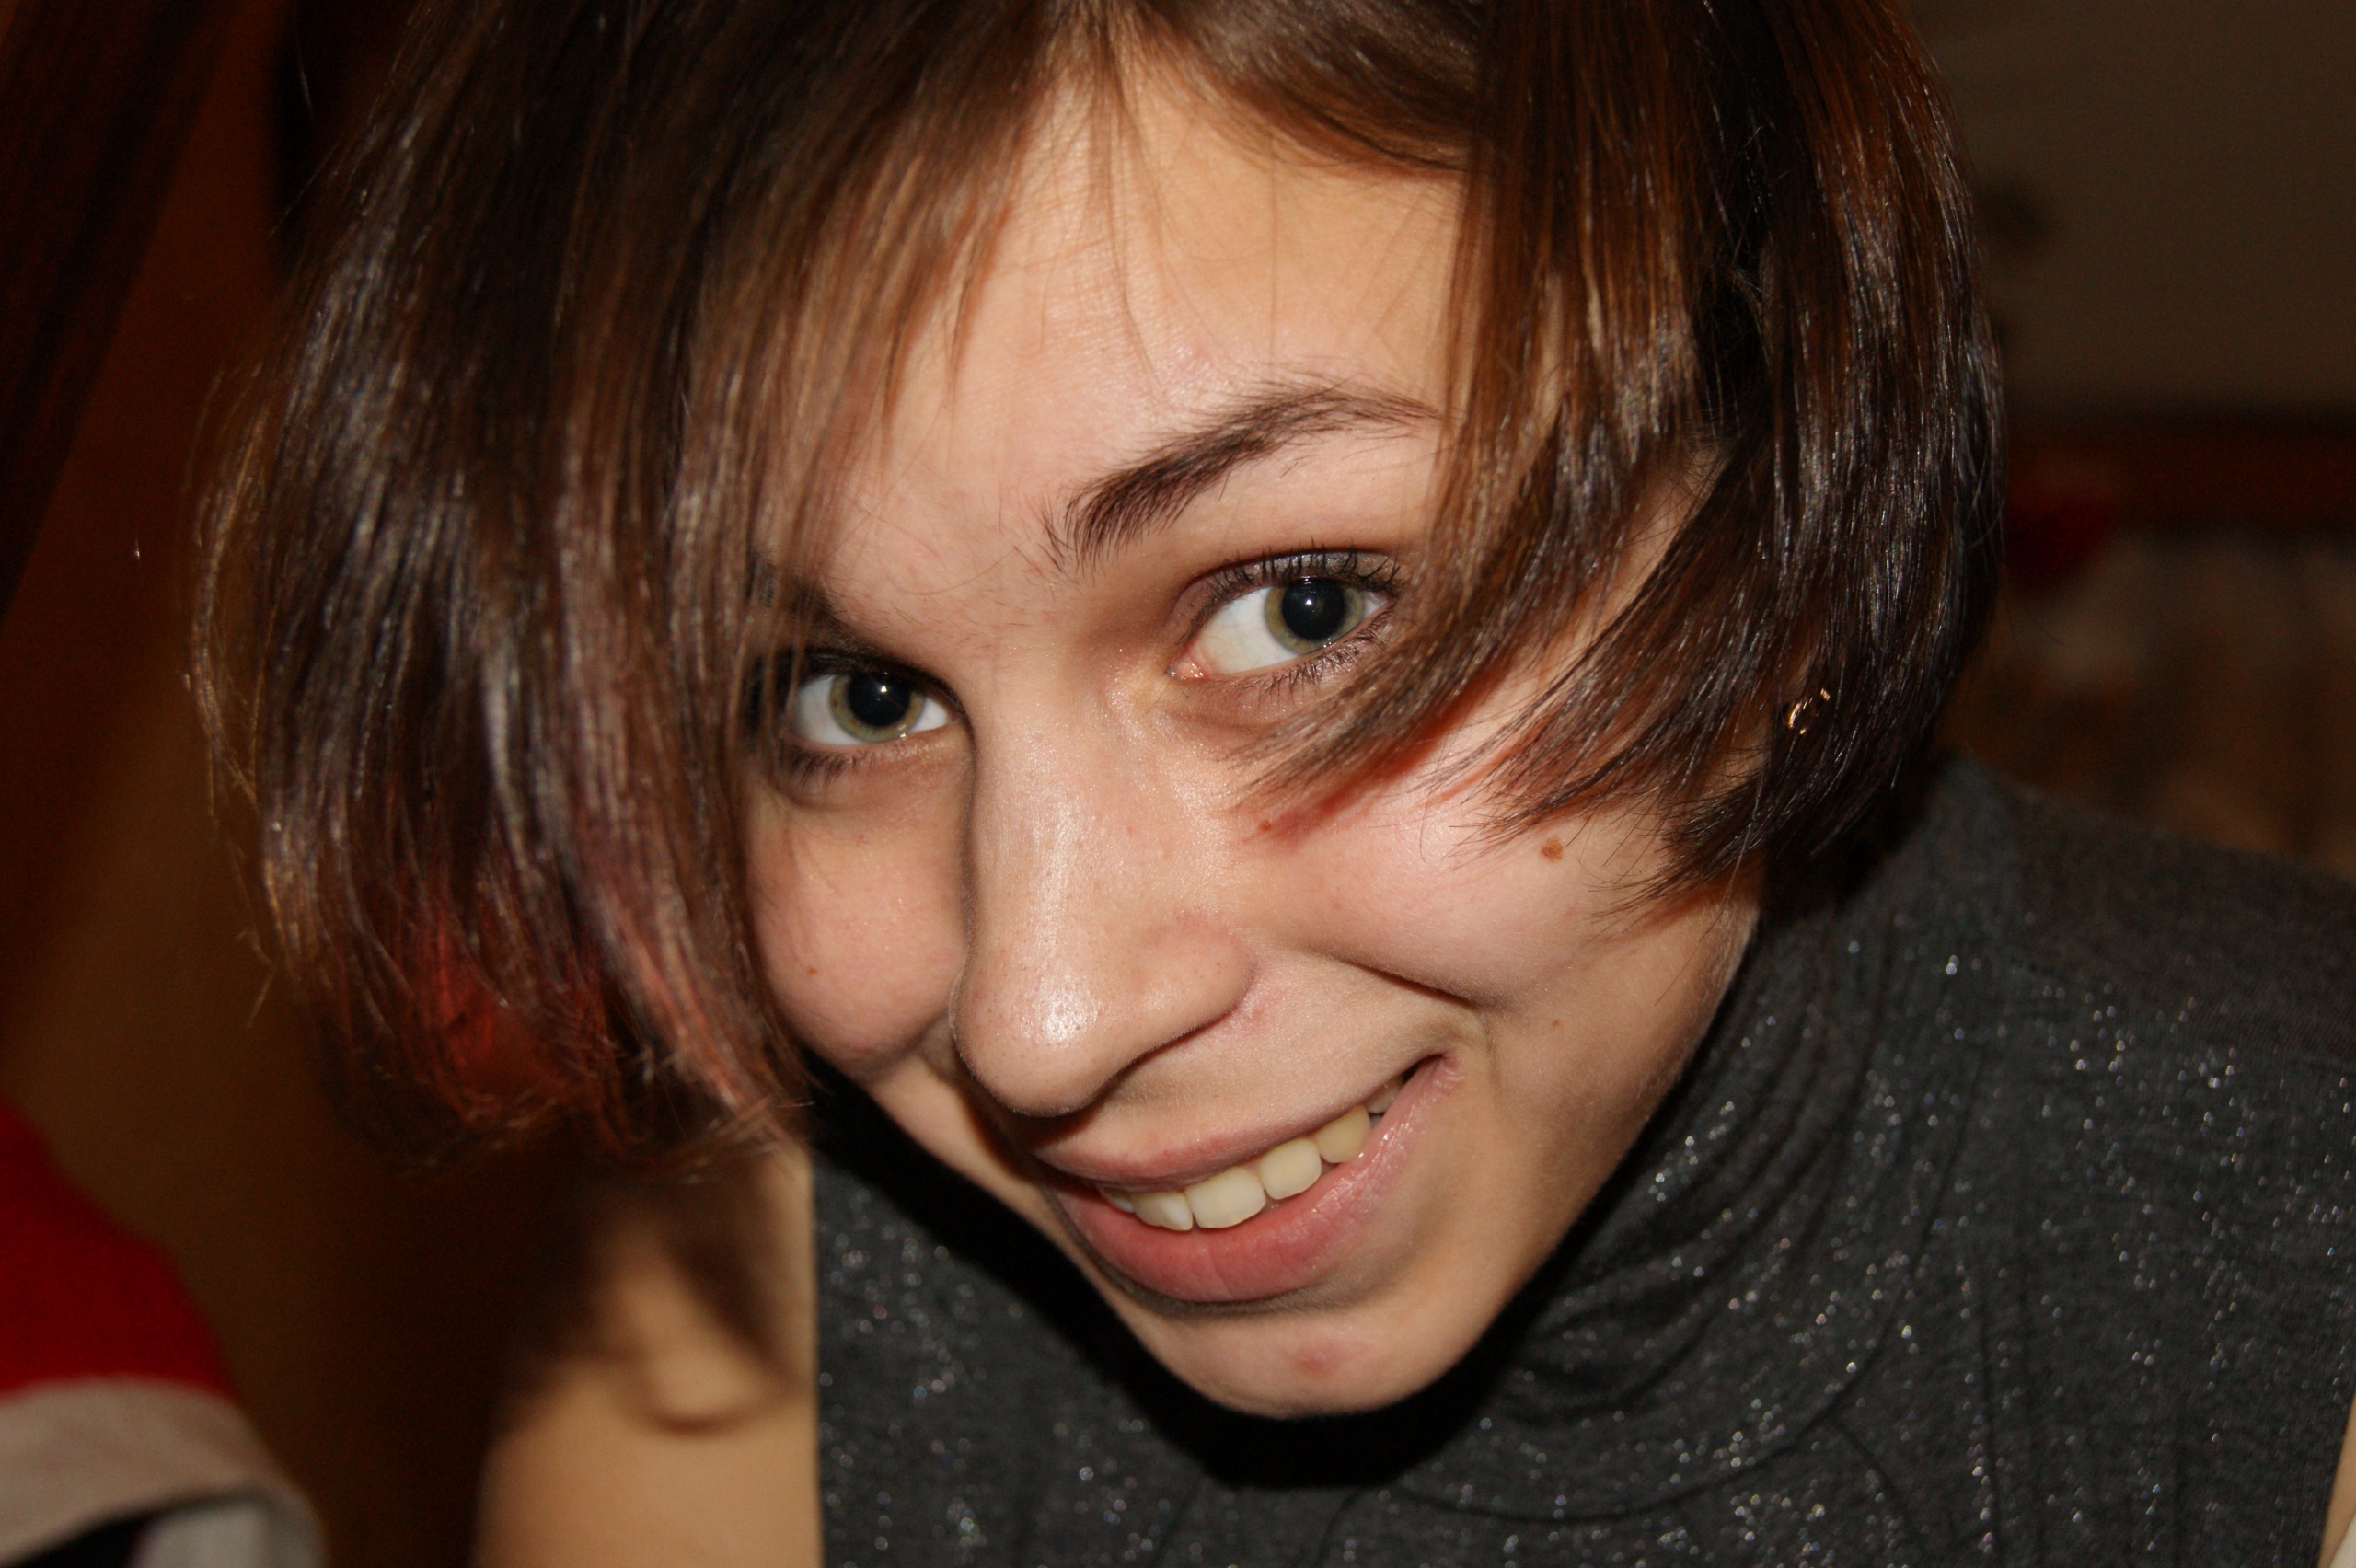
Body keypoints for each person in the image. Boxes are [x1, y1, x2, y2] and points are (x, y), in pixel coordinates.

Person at [196, 0, 2356, 1562]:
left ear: (1782, 473)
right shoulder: (726, 1351)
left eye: (1300, 608)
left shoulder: (2296, 1267)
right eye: (848, 698)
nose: (1041, 1020)